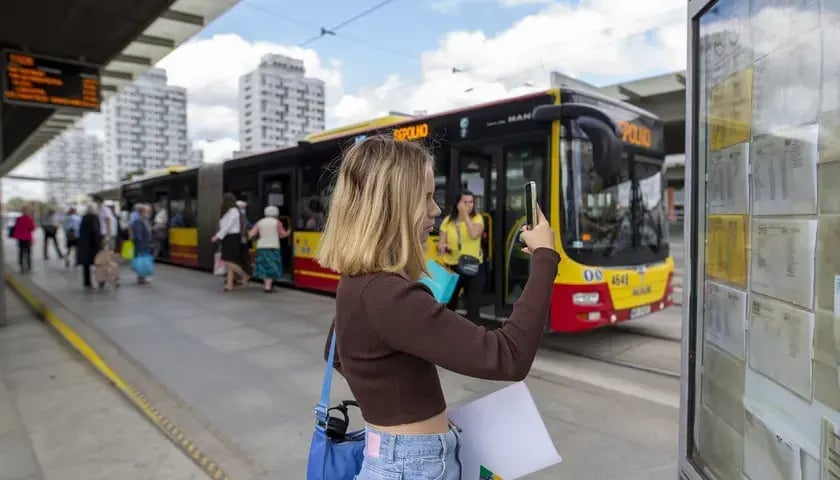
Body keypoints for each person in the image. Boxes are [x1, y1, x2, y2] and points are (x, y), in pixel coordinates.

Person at [316, 135, 559, 480]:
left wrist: (403, 406)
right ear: (394, 204)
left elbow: (338, 353)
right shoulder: (388, 295)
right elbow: (509, 356)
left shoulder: (357, 281)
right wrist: (546, 259)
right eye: (426, 197)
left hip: (397, 458)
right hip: (411, 467)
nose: (436, 209)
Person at [437, 190, 485, 322]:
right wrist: (443, 247)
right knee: (449, 304)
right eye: (465, 202)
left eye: (471, 202)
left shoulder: (477, 219)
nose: (468, 205)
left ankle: (474, 338)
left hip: (473, 267)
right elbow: (440, 245)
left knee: (473, 307)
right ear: (458, 204)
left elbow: (474, 234)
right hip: (453, 267)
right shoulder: (448, 221)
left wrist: (465, 217)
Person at [211, 193, 250, 291]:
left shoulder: (233, 212)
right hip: (228, 238)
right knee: (230, 262)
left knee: (227, 261)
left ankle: (244, 275)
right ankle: (229, 285)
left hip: (232, 238)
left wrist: (217, 236)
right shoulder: (229, 212)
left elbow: (227, 226)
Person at [248, 205, 290, 292]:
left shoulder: (260, 222)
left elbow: (251, 233)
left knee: (263, 266)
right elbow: (282, 235)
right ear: (276, 213)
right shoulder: (277, 222)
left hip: (261, 247)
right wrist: (289, 232)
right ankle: (268, 286)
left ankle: (267, 285)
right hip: (273, 247)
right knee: (272, 266)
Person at [77, 203, 102, 291]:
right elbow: (95, 231)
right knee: (99, 262)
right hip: (93, 245)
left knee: (86, 265)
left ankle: (87, 282)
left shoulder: (84, 218)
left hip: (84, 245)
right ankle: (101, 281)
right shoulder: (94, 217)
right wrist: (98, 242)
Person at [131, 204, 153, 284]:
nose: (148, 213)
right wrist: (139, 245)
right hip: (141, 245)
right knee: (142, 261)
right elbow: (138, 235)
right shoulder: (138, 221)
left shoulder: (146, 221)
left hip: (146, 244)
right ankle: (141, 277)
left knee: (144, 261)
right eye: (147, 211)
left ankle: (142, 277)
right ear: (142, 212)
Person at [11, 206, 36, 274]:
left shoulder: (18, 219)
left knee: (21, 253)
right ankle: (29, 267)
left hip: (20, 239)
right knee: (28, 253)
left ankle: (21, 267)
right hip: (27, 238)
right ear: (27, 211)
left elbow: (16, 228)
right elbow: (32, 228)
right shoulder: (29, 219)